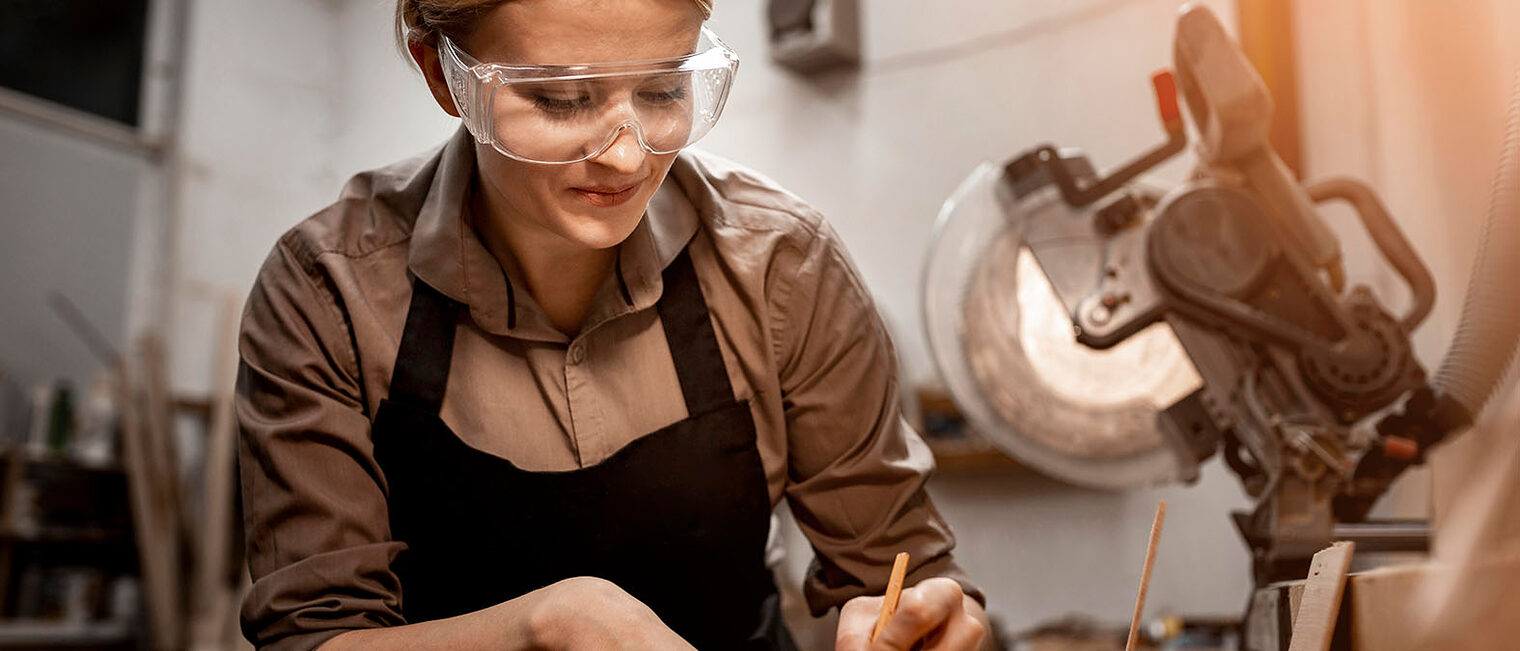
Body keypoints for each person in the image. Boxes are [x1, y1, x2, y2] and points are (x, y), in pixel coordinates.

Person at [235, 0, 989, 648]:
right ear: (443, 74)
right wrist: (546, 627)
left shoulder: (780, 266)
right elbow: (314, 633)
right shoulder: (328, 290)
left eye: (664, 89)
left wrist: (929, 620)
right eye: (562, 99)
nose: (628, 157)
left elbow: (900, 574)